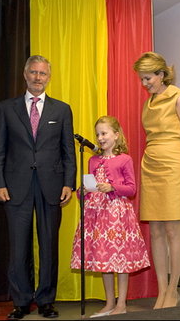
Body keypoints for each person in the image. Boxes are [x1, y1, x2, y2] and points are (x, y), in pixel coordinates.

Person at [0, 55, 77, 320]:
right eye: (34, 72)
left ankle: (46, 301)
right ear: (25, 74)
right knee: (18, 248)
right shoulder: (6, 108)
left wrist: (68, 184)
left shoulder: (62, 110)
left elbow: (68, 152)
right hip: (15, 187)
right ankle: (20, 302)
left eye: (43, 74)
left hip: (52, 187)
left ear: (49, 77)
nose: (38, 78)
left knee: (49, 245)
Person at [133, 51, 180, 309]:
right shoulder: (148, 103)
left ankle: (173, 290)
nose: (144, 83)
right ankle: (161, 290)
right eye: (142, 79)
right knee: (157, 231)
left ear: (161, 75)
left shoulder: (178, 97)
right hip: (150, 164)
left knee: (173, 229)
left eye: (148, 78)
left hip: (174, 164)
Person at [70, 115, 150, 318]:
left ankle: (121, 304)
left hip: (116, 214)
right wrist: (84, 191)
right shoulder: (92, 160)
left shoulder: (125, 159)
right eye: (97, 134)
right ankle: (109, 303)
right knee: (104, 259)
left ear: (116, 135)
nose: (100, 137)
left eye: (104, 133)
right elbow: (86, 188)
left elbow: (131, 188)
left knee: (120, 260)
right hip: (97, 215)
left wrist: (112, 187)